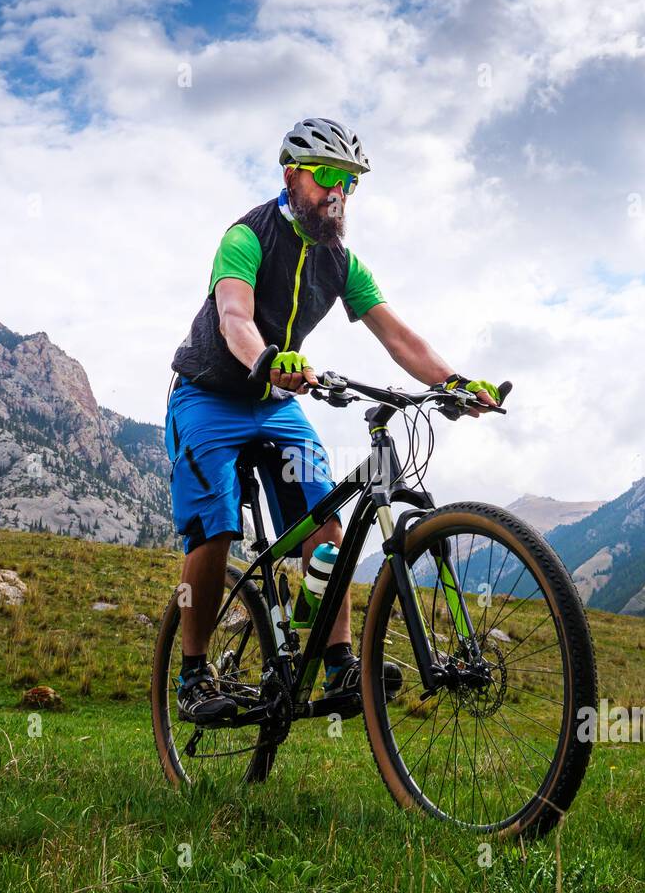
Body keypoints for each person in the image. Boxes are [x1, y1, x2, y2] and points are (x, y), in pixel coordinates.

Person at [166, 116, 501, 722]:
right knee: (214, 524)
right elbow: (234, 317)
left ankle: (339, 662)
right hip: (209, 394)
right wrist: (268, 359)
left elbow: (398, 336)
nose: (338, 193)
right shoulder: (246, 237)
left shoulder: (342, 263)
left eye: (349, 182)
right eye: (326, 177)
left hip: (276, 403)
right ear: (292, 174)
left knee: (328, 523)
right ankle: (193, 673)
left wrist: (454, 382)